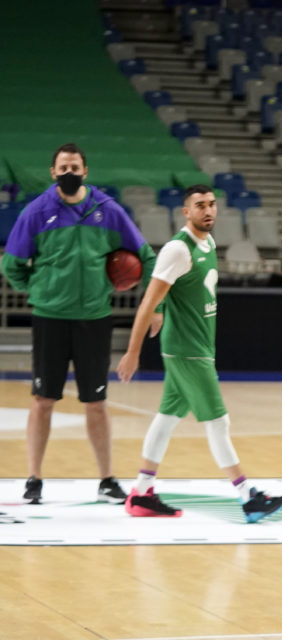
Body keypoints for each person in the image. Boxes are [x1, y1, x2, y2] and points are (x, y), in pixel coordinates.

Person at [115, 185, 282, 523]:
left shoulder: (208, 243)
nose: (208, 211)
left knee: (166, 420)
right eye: (200, 206)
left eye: (212, 204)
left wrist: (165, 309)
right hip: (187, 351)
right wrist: (133, 352)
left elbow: (176, 293)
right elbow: (148, 300)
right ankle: (247, 496)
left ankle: (141, 493)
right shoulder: (177, 249)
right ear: (186, 212)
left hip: (198, 347)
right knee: (218, 423)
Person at [0, 143, 157, 505]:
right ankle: (34, 479)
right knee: (43, 400)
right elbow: (11, 264)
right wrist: (40, 290)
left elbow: (146, 257)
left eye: (75, 167)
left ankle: (106, 479)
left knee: (96, 403)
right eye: (63, 167)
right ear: (53, 172)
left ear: (85, 171)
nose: (69, 172)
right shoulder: (36, 212)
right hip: (50, 319)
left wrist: (156, 305)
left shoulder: (108, 211)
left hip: (94, 319)